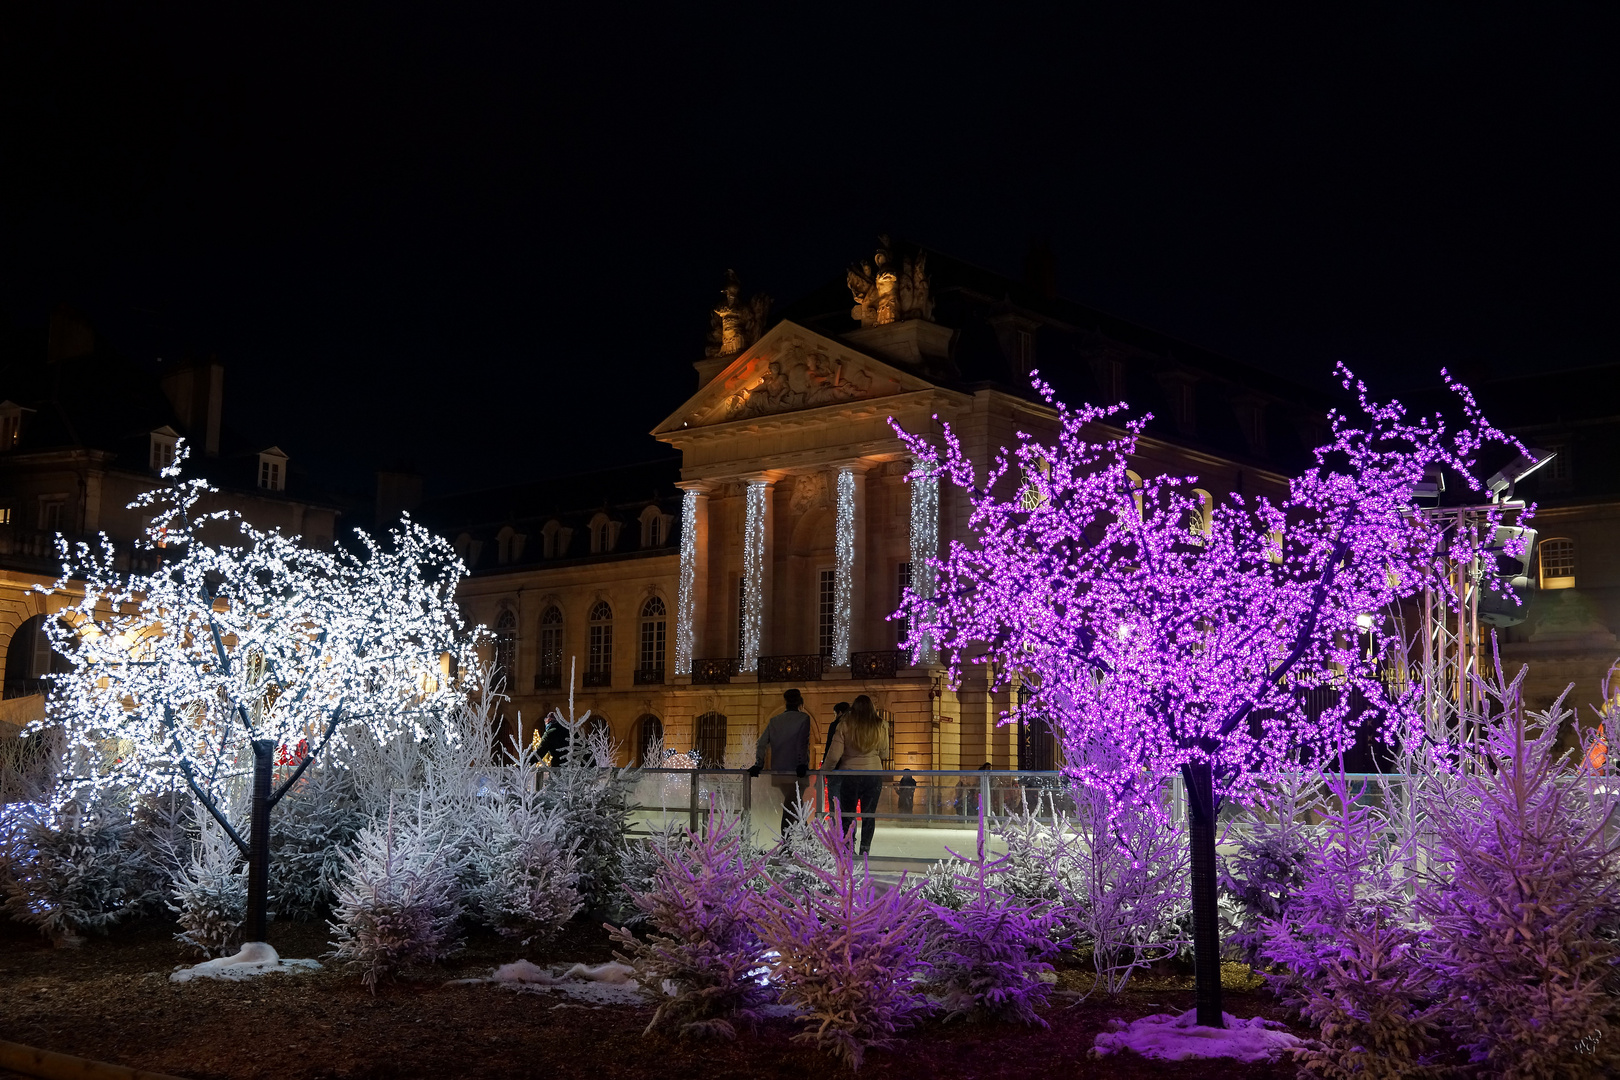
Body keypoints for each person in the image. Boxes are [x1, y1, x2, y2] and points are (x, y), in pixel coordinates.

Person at [824, 694, 888, 856]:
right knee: (868, 815)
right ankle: (865, 851)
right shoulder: (880, 725)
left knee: (848, 815)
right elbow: (884, 753)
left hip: (850, 774)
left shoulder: (844, 725)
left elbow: (833, 755)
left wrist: (825, 770)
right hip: (873, 776)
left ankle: (848, 850)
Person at [750, 688, 813, 836]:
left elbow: (761, 743)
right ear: (800, 703)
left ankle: (807, 839)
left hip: (778, 771)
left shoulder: (774, 721)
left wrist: (759, 764)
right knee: (793, 804)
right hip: (797, 771)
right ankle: (788, 842)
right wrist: (802, 764)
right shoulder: (804, 719)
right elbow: (801, 743)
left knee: (795, 804)